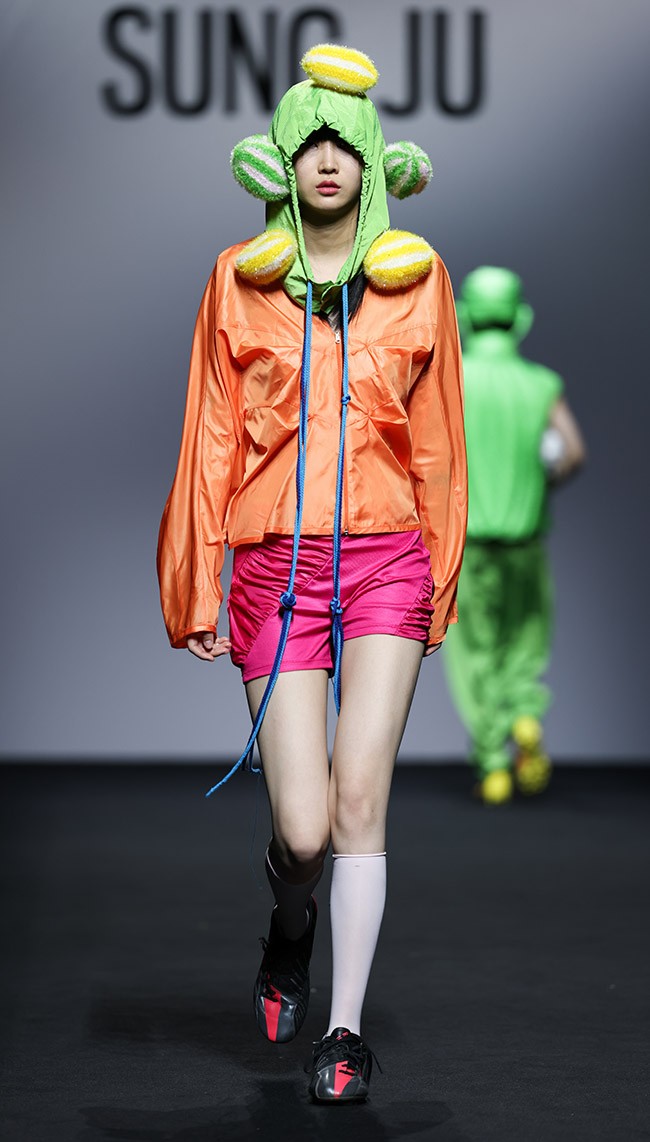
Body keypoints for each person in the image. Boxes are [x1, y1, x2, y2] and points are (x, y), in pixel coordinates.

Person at [157, 43, 467, 1102]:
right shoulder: (234, 282)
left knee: (359, 797)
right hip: (273, 567)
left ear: (373, 159)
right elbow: (209, 439)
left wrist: (440, 579)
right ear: (279, 160)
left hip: (388, 559)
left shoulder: (418, 280)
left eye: (345, 143)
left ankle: (344, 1032)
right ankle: (288, 930)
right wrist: (195, 581)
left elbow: (439, 446)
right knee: (300, 829)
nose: (327, 160)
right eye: (309, 143)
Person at [444, 266, 586, 805]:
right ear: (520, 318)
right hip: (525, 541)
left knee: (474, 652)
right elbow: (573, 453)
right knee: (524, 642)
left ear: (465, 315)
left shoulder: (452, 381)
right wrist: (538, 484)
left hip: (467, 546)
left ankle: (492, 762)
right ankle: (524, 715)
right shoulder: (541, 384)